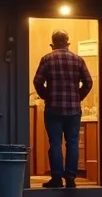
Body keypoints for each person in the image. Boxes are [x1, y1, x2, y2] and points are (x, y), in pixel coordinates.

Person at [32, 29, 94, 188]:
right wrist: (78, 97)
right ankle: (71, 178)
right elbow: (88, 82)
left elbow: (37, 82)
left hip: (53, 109)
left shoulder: (46, 59)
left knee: (55, 143)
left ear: (52, 44)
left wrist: (47, 96)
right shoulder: (78, 60)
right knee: (73, 143)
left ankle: (57, 178)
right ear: (68, 43)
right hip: (73, 109)